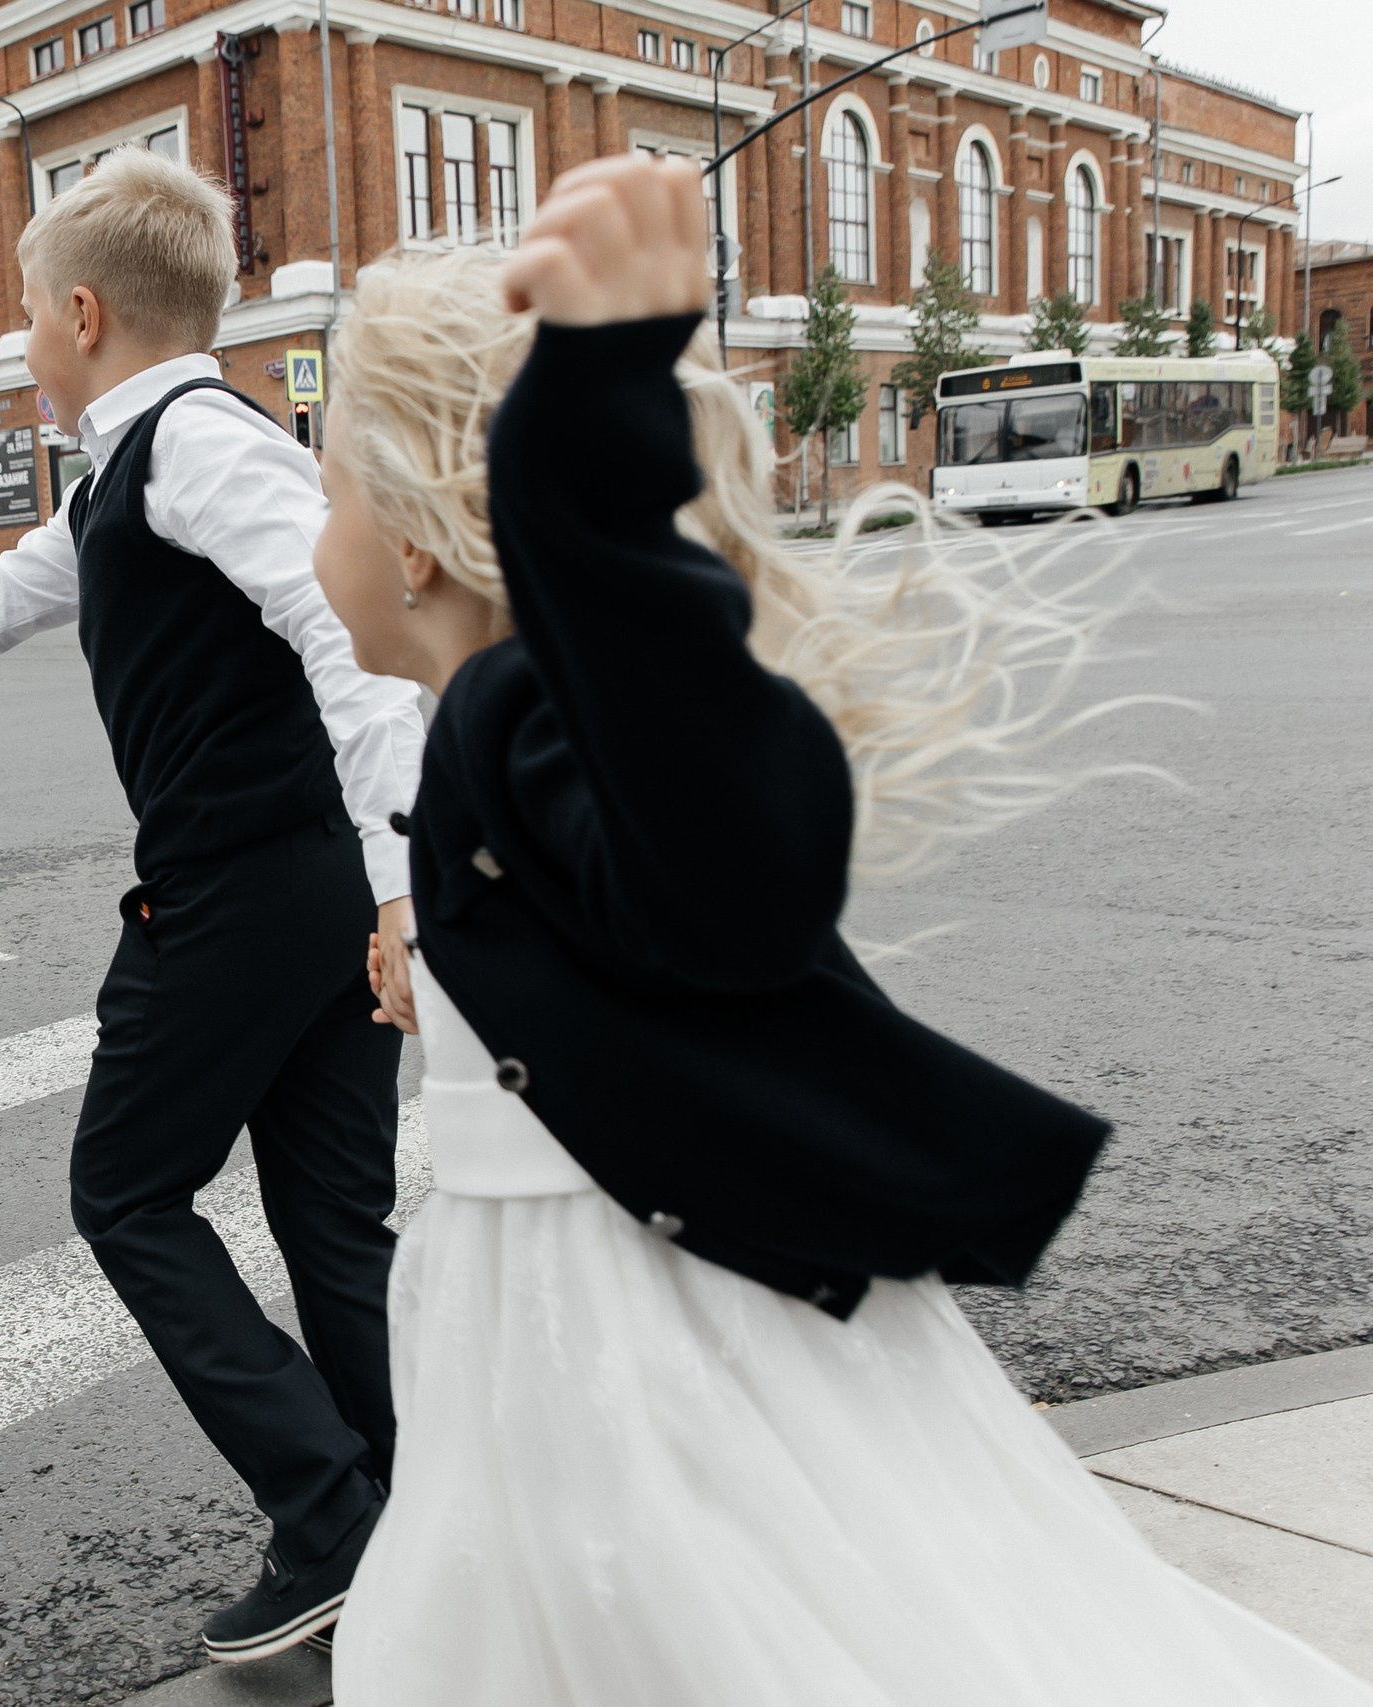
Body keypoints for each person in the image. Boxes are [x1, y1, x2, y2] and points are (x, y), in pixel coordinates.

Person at [315, 154, 1373, 1705]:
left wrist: (585, 457)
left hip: (635, 1332)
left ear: (415, 539)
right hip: (558, 1298)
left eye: (324, 485)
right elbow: (606, 926)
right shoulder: (510, 707)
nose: (308, 526)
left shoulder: (515, 693)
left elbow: (727, 885)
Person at [0, 149, 427, 1664]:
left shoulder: (195, 444)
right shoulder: (130, 465)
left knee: (125, 1191)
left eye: (21, 316)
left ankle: (328, 1515)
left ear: (80, 311)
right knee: (331, 1217)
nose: (18, 345)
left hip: (254, 888)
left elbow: (349, 637)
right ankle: (407, 1505)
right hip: (307, 884)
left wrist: (405, 882)